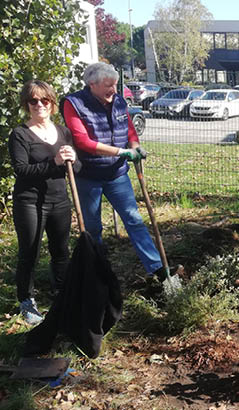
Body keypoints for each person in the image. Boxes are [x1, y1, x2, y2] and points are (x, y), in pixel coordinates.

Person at [62, 62, 168, 281]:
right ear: (92, 84)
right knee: (92, 227)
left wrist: (135, 146)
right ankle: (99, 272)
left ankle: (158, 269)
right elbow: (82, 141)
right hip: (88, 176)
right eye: (108, 85)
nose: (113, 90)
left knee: (134, 219)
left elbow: (129, 129)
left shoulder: (118, 101)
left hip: (117, 174)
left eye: (115, 85)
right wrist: (120, 152)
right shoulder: (74, 104)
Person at [9, 80, 80, 325]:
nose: (39, 105)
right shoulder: (20, 134)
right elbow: (22, 170)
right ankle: (26, 301)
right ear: (27, 105)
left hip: (59, 200)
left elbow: (76, 168)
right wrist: (54, 163)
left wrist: (73, 159)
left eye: (44, 100)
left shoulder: (63, 132)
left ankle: (60, 295)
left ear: (52, 103)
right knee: (29, 252)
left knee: (61, 251)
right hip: (29, 202)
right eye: (33, 101)